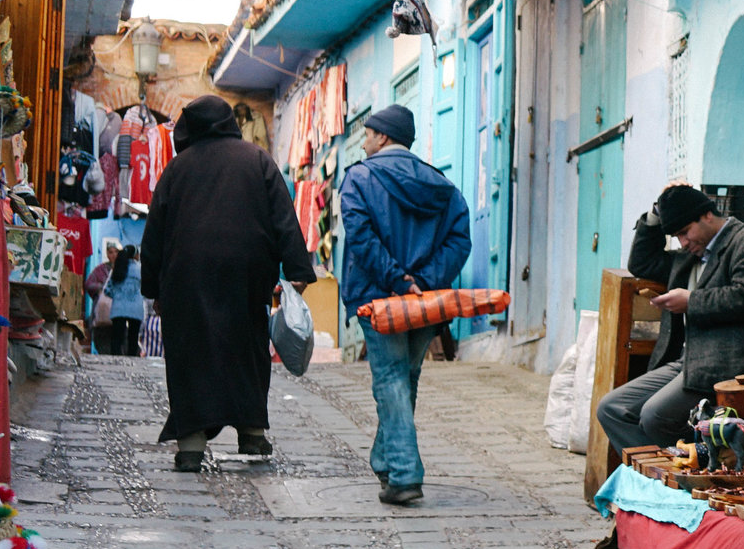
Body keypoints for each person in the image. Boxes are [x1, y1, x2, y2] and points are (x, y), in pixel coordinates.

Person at [141, 96, 317, 471]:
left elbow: (154, 232)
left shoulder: (177, 169)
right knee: (247, 347)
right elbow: (284, 217)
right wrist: (298, 270)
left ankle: (190, 444)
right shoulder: (257, 160)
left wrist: (153, 288)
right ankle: (252, 433)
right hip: (247, 273)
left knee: (190, 352)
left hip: (186, 276)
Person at [338, 103, 470, 506]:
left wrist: (397, 280)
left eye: (366, 134)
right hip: (425, 302)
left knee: (391, 379)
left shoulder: (359, 178)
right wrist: (423, 282)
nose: (362, 142)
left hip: (379, 300)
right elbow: (459, 240)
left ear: (382, 137)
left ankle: (404, 475)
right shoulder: (441, 184)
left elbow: (361, 238)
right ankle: (385, 460)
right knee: (405, 378)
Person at [595, 184, 744, 457]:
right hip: (689, 362)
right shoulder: (690, 256)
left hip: (730, 366)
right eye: (676, 235)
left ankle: (688, 463)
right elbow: (642, 264)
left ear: (707, 215)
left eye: (685, 232)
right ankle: (657, 475)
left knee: (654, 415)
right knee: (611, 408)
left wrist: (691, 301)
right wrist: (656, 213)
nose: (683, 242)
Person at [100, 243, 145, 355]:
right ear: (136, 255)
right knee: (133, 339)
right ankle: (132, 363)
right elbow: (147, 289)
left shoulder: (117, 268)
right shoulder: (141, 269)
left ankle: (115, 363)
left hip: (118, 309)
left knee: (116, 339)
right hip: (136, 309)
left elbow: (107, 290)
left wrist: (118, 296)